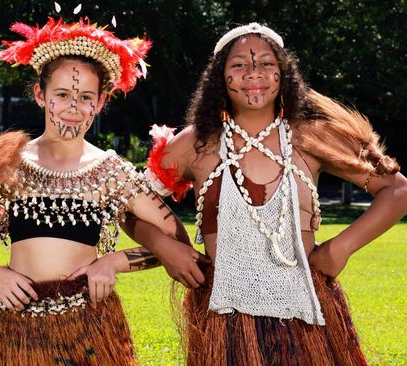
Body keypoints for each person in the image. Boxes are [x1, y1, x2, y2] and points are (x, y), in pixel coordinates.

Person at [0, 17, 206, 366]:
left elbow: (176, 245)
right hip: (15, 326)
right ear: (40, 95)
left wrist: (114, 262)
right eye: (62, 95)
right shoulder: (7, 164)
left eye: (85, 97)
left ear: (100, 102)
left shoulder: (111, 172)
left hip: (89, 329)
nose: (73, 107)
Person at [145, 22, 407, 365]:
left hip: (305, 311)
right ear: (218, 78)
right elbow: (130, 204)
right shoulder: (196, 144)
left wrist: (341, 247)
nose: (254, 72)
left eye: (267, 63)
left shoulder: (312, 137)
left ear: (284, 74)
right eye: (238, 65)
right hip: (225, 314)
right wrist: (166, 247)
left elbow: (397, 189)